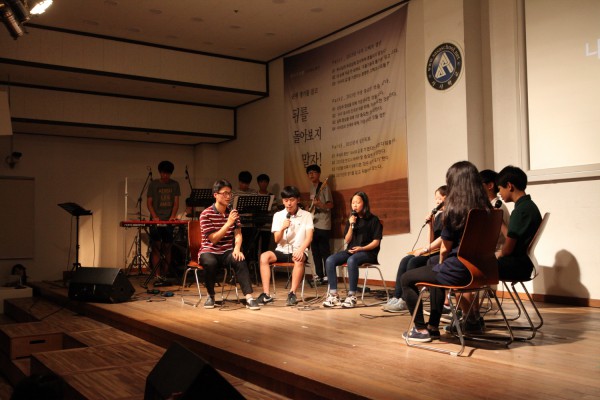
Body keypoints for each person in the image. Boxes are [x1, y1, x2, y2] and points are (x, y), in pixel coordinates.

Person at [401, 161, 492, 343]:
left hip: (460, 271)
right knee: (433, 265)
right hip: (483, 270)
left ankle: (421, 330)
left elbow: (444, 248)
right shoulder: (488, 210)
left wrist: (442, 265)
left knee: (406, 278)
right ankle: (436, 327)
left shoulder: (455, 211)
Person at [382, 186, 447, 312]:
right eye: (436, 199)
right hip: (433, 250)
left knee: (413, 261)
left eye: (439, 198)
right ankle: (397, 297)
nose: (437, 202)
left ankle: (406, 300)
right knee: (405, 260)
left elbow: (443, 239)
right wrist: (430, 225)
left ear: (447, 198)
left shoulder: (450, 216)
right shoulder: (439, 217)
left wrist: (424, 250)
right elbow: (430, 241)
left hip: (441, 252)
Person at [199, 179, 260, 310]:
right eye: (224, 193)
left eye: (230, 193)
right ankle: (210, 295)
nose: (228, 196)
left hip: (227, 251)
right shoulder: (206, 214)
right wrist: (228, 223)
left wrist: (237, 249)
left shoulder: (232, 213)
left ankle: (249, 297)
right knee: (210, 262)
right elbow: (213, 239)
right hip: (209, 250)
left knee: (240, 259)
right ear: (215, 195)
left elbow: (238, 233)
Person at [322, 191, 383, 308]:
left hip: (368, 252)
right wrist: (351, 225)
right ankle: (333, 295)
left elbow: (376, 242)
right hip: (351, 251)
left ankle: (352, 296)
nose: (354, 205)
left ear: (364, 204)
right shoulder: (352, 220)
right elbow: (347, 239)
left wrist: (362, 248)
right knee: (330, 260)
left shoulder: (373, 220)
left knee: (352, 260)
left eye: (357, 202)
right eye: (353, 202)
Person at [257, 186, 314, 306]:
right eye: (286, 200)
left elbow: (309, 237)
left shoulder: (306, 215)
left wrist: (301, 250)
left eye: (292, 200)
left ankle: (292, 293)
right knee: (264, 257)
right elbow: (277, 240)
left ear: (298, 200)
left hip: (298, 250)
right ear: (283, 201)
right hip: (281, 250)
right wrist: (282, 228)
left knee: (298, 259)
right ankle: (266, 294)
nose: (289, 203)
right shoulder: (278, 215)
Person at [496, 166, 542, 281]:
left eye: (500, 188)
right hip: (525, 264)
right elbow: (512, 237)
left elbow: (507, 250)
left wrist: (498, 254)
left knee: (475, 263)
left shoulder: (520, 211)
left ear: (509, 186)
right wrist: (500, 222)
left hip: (515, 266)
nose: (499, 193)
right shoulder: (529, 206)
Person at [147, 160, 180, 281]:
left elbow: (176, 202)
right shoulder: (153, 184)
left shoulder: (175, 184)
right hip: (156, 220)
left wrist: (173, 216)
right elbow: (149, 203)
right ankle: (157, 275)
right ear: (160, 172)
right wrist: (154, 216)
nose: (165, 175)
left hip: (168, 220)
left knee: (167, 247)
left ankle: (164, 274)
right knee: (156, 246)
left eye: (167, 173)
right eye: (163, 173)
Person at [306, 164, 333, 285]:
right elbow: (313, 204)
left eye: (313, 172)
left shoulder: (324, 187)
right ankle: (319, 275)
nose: (311, 175)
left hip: (323, 223)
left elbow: (330, 205)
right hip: (313, 223)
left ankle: (328, 275)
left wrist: (320, 205)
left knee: (324, 251)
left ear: (319, 174)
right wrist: (309, 208)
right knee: (315, 251)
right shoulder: (312, 188)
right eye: (309, 173)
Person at [480, 169, 511, 253]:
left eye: (478, 184)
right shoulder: (491, 205)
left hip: (495, 253)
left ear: (490, 185)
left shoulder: (497, 207)